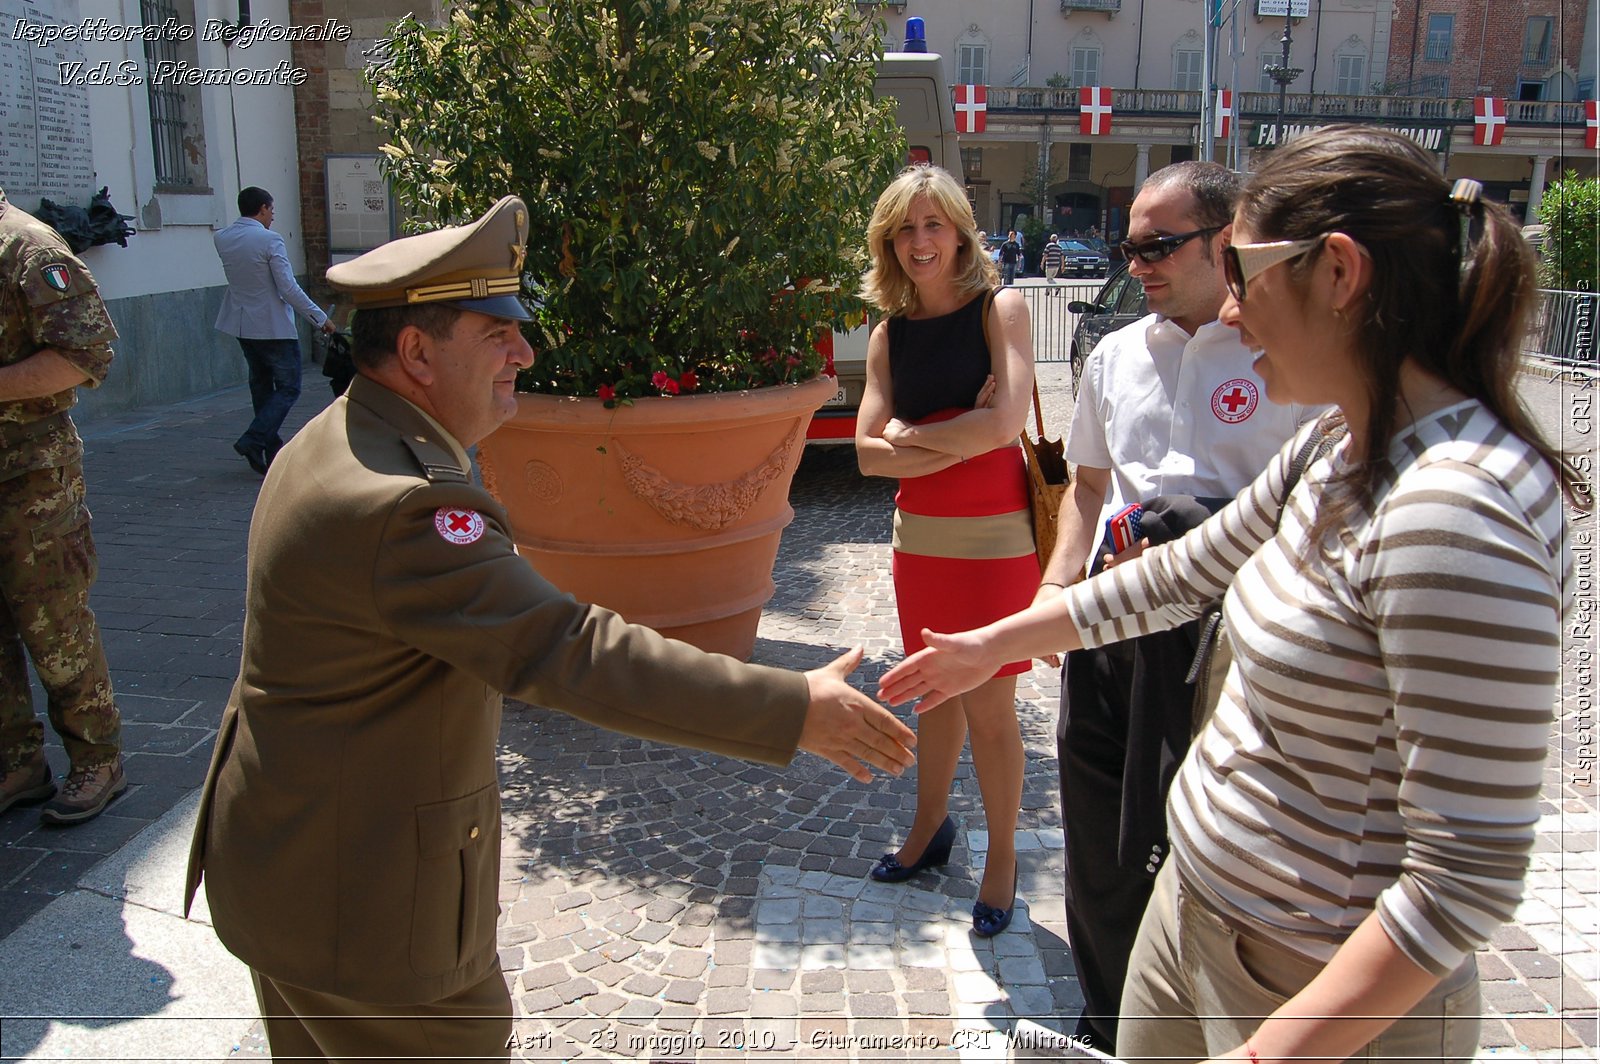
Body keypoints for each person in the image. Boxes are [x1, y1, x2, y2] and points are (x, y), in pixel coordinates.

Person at [881, 126, 1581, 1063]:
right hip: (1208, 925)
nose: (1234, 319)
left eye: (1244, 276)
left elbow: (1465, 880)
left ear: (1337, 273)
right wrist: (994, 641)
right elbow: (1178, 574)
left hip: (1303, 985)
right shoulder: (1337, 445)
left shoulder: (1458, 510)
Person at [183, 195, 917, 1059]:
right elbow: (570, 651)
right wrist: (792, 707)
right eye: (497, 334)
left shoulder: (341, 435)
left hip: (294, 869)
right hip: (368, 911)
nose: (524, 353)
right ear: (416, 352)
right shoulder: (409, 503)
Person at [1038, 161, 1311, 1052]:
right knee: (1099, 830)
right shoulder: (1115, 356)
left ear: (1225, 240)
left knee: (1200, 835)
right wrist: (1057, 585)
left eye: (1159, 245)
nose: (1139, 264)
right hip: (1113, 628)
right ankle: (1108, 1009)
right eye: (1131, 247)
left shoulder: (1283, 357)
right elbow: (1085, 487)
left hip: (1233, 646)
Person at [854, 165, 1037, 937]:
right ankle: (930, 829)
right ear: (888, 242)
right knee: (931, 692)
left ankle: (1002, 860)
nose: (920, 241)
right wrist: (957, 432)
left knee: (991, 707)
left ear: (961, 230)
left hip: (997, 537)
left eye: (934, 225)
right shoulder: (887, 336)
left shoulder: (1004, 309)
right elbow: (866, 455)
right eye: (905, 228)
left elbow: (1004, 428)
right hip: (920, 540)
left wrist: (914, 437)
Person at [0, 188, 127, 826]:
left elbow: (86, 354)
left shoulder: (30, 248)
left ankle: (98, 759)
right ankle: (16, 767)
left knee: (53, 622)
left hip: (30, 478)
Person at [213, 186, 335, 475]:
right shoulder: (269, 240)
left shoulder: (222, 238)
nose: (273, 217)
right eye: (271, 211)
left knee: (261, 386)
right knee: (289, 386)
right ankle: (254, 439)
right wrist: (319, 318)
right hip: (272, 325)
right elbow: (288, 288)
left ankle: (270, 447)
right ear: (263, 209)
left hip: (242, 322)